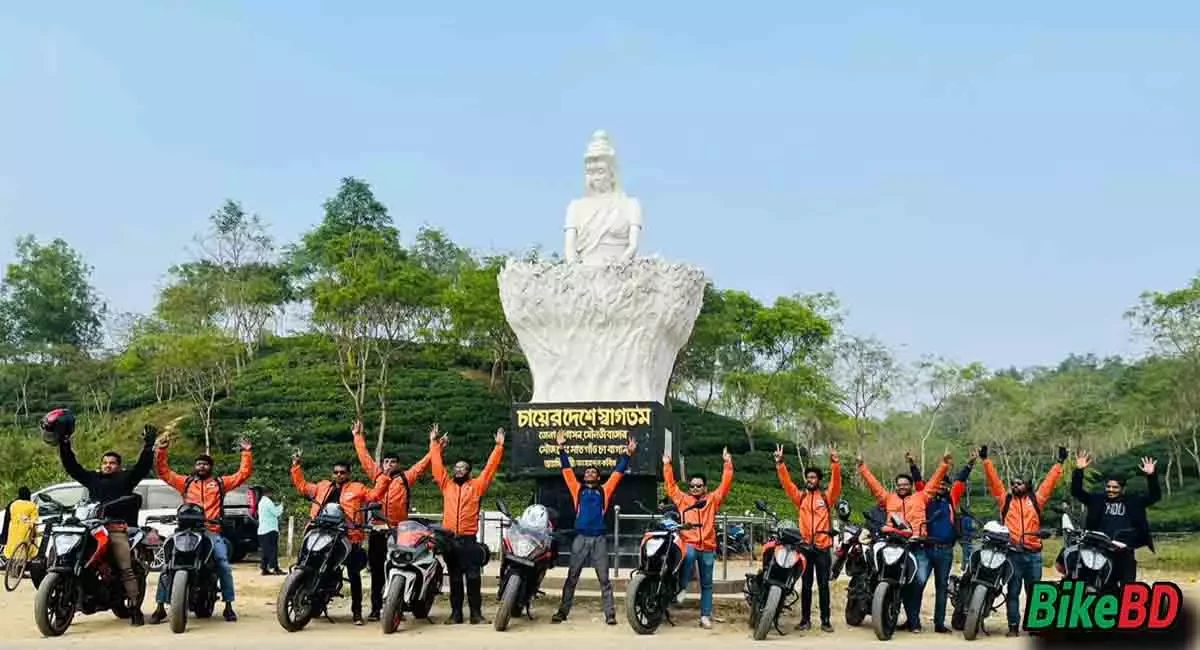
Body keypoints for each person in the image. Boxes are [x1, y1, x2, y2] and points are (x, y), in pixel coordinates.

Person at [50, 408, 154, 626]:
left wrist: (148, 447)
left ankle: (134, 608)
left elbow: (142, 468)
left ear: (119, 466)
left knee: (125, 565)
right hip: (91, 527)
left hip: (116, 528)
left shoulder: (126, 479)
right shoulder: (92, 478)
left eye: (112, 463)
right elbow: (72, 466)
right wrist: (64, 443)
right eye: (105, 462)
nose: (108, 465)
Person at [149, 434, 253, 624]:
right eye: (198, 464)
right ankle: (160, 606)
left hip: (211, 531)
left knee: (222, 562)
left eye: (205, 464)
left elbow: (242, 474)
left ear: (210, 467)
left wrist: (246, 452)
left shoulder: (220, 484)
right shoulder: (186, 483)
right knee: (168, 563)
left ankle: (228, 605)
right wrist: (161, 450)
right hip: (184, 531)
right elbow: (164, 472)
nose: (201, 467)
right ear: (194, 467)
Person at [857, 449, 952, 633]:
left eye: (905, 484)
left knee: (918, 581)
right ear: (896, 486)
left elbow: (933, 482)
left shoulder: (921, 497)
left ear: (910, 485)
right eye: (899, 484)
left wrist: (944, 464)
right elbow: (874, 486)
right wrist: (862, 467)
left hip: (916, 547)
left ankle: (913, 621)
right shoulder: (888, 499)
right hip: (892, 543)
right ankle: (881, 604)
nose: (902, 486)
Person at [291, 454, 392, 624]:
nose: (338, 475)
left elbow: (374, 495)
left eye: (342, 472)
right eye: (336, 472)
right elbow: (302, 487)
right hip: (321, 531)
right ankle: (303, 596)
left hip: (348, 535)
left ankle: (357, 612)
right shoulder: (323, 486)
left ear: (349, 474)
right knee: (306, 559)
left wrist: (385, 476)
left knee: (353, 573)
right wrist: (296, 466)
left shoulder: (357, 488)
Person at [551, 431, 637, 625]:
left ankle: (610, 615)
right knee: (572, 577)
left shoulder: (604, 491)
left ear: (598, 477)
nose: (590, 473)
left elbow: (617, 473)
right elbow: (566, 471)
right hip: (580, 538)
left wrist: (628, 455)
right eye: (587, 472)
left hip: (599, 540)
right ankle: (562, 612)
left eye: (593, 472)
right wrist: (561, 448)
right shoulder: (577, 489)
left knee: (604, 580)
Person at [352, 419, 434, 621]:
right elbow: (364, 458)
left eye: (393, 462)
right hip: (378, 531)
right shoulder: (377, 475)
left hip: (399, 533)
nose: (389, 465)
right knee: (377, 572)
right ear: (382, 464)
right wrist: (357, 436)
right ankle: (375, 608)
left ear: (398, 465)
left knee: (398, 568)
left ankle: (396, 604)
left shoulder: (406, 478)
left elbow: (424, 464)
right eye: (386, 462)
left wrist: (435, 445)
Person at [980, 444, 1066, 637]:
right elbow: (995, 482)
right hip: (1012, 554)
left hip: (1034, 554)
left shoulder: (1037, 499)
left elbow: (1049, 483)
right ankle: (1012, 627)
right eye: (1013, 483)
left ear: (1027, 485)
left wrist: (1059, 463)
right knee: (1013, 592)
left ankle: (1034, 625)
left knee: (1034, 593)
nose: (1015, 486)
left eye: (1019, 483)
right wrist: (986, 461)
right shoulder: (1006, 500)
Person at [428, 423, 505, 624]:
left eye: (463, 468)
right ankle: (455, 614)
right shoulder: (447, 485)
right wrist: (434, 443)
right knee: (454, 579)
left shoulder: (477, 486)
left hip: (469, 540)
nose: (459, 470)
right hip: (450, 540)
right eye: (457, 467)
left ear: (469, 472)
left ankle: (476, 614)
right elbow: (436, 465)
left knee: (473, 578)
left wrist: (498, 447)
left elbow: (490, 469)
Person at [662, 446, 734, 629]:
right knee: (690, 556)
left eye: (699, 486)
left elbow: (725, 485)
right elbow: (671, 487)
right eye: (692, 486)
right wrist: (667, 465)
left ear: (705, 487)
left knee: (707, 584)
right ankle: (683, 587)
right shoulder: (683, 499)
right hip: (690, 542)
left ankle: (705, 616)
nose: (695, 488)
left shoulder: (712, 500)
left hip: (708, 546)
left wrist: (727, 463)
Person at [773, 444, 841, 633]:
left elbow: (836, 484)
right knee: (806, 585)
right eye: (808, 477)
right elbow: (787, 485)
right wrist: (780, 464)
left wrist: (835, 463)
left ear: (819, 480)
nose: (810, 480)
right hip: (804, 547)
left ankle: (826, 621)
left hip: (822, 548)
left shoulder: (827, 498)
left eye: (813, 477)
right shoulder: (801, 497)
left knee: (823, 586)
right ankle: (805, 620)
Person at [1070, 451, 1159, 584]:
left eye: (1115, 487)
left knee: (1127, 586)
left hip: (1124, 551)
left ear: (1122, 489)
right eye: (1109, 487)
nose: (1111, 490)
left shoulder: (1133, 501)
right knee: (1103, 584)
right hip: (1100, 550)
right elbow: (1076, 491)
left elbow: (1155, 496)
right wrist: (1079, 471)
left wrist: (1151, 476)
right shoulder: (1097, 500)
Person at [922, 450, 976, 634]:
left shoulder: (951, 500)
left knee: (942, 588)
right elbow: (918, 482)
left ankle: (939, 623)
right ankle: (913, 621)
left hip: (945, 551)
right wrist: (913, 465)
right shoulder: (925, 498)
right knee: (918, 583)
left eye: (945, 485)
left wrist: (970, 464)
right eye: (938, 484)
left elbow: (960, 481)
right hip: (926, 549)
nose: (941, 487)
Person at [2, 488, 37, 563]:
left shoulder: (13, 504)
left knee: (12, 551)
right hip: (25, 533)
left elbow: (8, 520)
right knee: (29, 550)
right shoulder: (32, 506)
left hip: (12, 534)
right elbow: (34, 522)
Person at [256, 486, 284, 576]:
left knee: (265, 551)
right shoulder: (268, 502)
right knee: (273, 550)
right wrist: (282, 505)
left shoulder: (261, 502)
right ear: (268, 493)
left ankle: (264, 568)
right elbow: (276, 512)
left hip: (262, 530)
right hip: (270, 529)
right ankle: (275, 568)